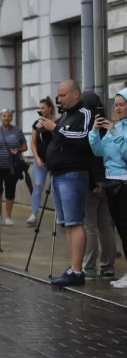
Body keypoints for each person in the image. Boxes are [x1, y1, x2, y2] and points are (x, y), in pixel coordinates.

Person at [43, 80, 94, 287]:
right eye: (58, 96)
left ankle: (77, 270)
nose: (59, 100)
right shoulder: (65, 115)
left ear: (76, 94)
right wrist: (48, 132)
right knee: (66, 224)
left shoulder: (84, 114)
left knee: (75, 222)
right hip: (58, 174)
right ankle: (72, 267)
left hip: (73, 174)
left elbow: (82, 137)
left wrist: (55, 128)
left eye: (63, 95)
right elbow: (60, 140)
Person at [89, 88, 127, 287]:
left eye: (122, 104)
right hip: (111, 182)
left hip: (124, 183)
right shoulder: (117, 126)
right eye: (116, 105)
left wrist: (114, 132)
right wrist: (95, 131)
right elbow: (99, 151)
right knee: (120, 229)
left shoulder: (120, 129)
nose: (118, 108)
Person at [80, 92, 118, 280]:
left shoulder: (87, 128)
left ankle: (88, 266)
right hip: (109, 181)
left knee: (90, 226)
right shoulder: (109, 126)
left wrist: (91, 182)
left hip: (92, 182)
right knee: (105, 225)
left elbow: (87, 158)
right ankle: (107, 265)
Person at [0, 109, 28, 226]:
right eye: (4, 116)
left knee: (10, 191)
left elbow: (25, 146)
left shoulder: (17, 131)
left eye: (9, 116)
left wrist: (18, 149)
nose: (6, 118)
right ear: (0, 117)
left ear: (12, 118)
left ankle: (8, 216)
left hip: (11, 166)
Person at [30, 96, 58, 225]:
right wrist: (36, 158)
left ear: (50, 108)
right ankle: (34, 214)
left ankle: (59, 215)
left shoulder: (57, 122)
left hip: (55, 160)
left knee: (56, 188)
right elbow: (33, 143)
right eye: (39, 108)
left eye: (43, 108)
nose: (41, 110)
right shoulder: (37, 123)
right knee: (38, 185)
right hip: (40, 160)